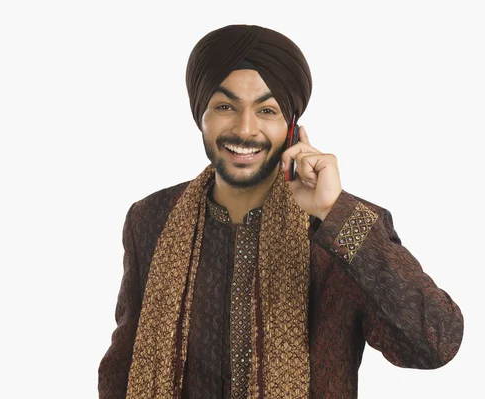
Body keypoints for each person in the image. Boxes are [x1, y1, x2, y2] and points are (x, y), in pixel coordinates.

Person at [97, 24, 464, 399]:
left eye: (267, 110)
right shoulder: (151, 219)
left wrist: (333, 211)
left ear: (291, 127)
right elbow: (121, 369)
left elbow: (435, 343)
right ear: (201, 117)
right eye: (225, 107)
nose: (245, 128)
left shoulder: (343, 225)